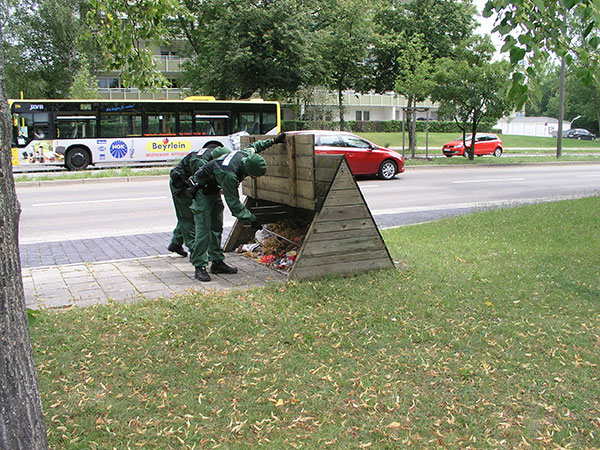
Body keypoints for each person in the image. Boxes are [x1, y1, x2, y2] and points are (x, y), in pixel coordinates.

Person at [186, 132, 286, 282]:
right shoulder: (230, 175)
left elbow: (255, 146)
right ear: (248, 171)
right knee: (204, 230)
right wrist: (253, 220)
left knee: (216, 227)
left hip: (212, 189)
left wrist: (274, 140)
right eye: (253, 176)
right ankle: (199, 266)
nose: (253, 179)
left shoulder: (244, 155)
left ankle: (217, 262)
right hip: (201, 193)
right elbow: (235, 206)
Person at [167, 146, 231, 259]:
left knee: (189, 213)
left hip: (189, 182)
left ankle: (176, 242)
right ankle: (194, 249)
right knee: (187, 217)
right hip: (180, 184)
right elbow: (201, 181)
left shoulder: (212, 155)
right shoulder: (200, 163)